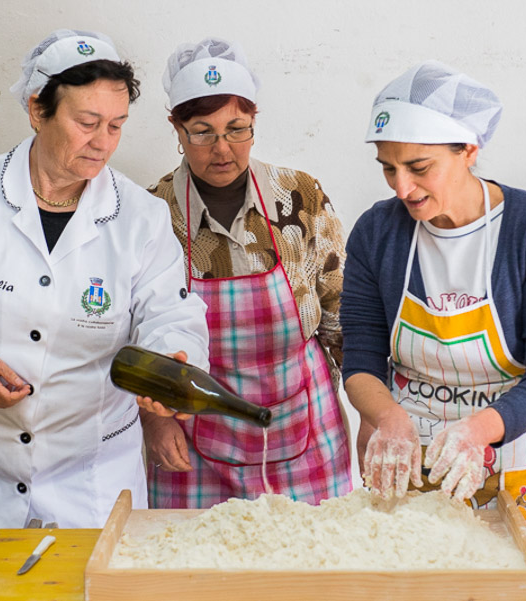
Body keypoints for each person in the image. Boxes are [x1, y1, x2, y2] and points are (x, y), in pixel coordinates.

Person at [0, 29, 209, 529]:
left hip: (91, 476)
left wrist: (171, 359)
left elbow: (170, 315)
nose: (103, 142)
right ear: (37, 110)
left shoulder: (140, 217)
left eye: (116, 125)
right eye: (87, 122)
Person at [341, 60, 526, 529]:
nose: (402, 187)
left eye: (419, 167)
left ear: (469, 149)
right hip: (413, 449)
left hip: (521, 447)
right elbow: (360, 364)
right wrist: (387, 420)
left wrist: (477, 432)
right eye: (388, 169)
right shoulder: (377, 232)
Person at [137, 37, 352, 509]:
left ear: (255, 123)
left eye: (237, 129)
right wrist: (156, 420)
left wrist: (369, 408)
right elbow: (133, 340)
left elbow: (340, 313)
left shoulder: (299, 196)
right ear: (175, 128)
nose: (222, 149)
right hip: (193, 442)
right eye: (201, 131)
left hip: (304, 424)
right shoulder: (151, 212)